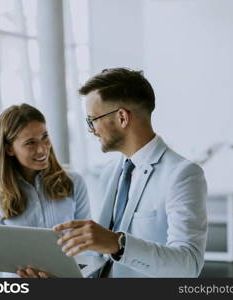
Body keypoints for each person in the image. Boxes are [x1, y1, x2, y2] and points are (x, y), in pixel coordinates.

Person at [20, 68, 207, 278]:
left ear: (122, 117)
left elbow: (188, 265)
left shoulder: (182, 175)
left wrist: (118, 244)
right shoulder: (110, 172)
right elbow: (102, 260)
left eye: (92, 120)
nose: (91, 130)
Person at [0, 104, 90, 277]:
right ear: (9, 149)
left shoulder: (73, 182)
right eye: (30, 142)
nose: (42, 148)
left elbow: (86, 241)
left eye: (44, 137)